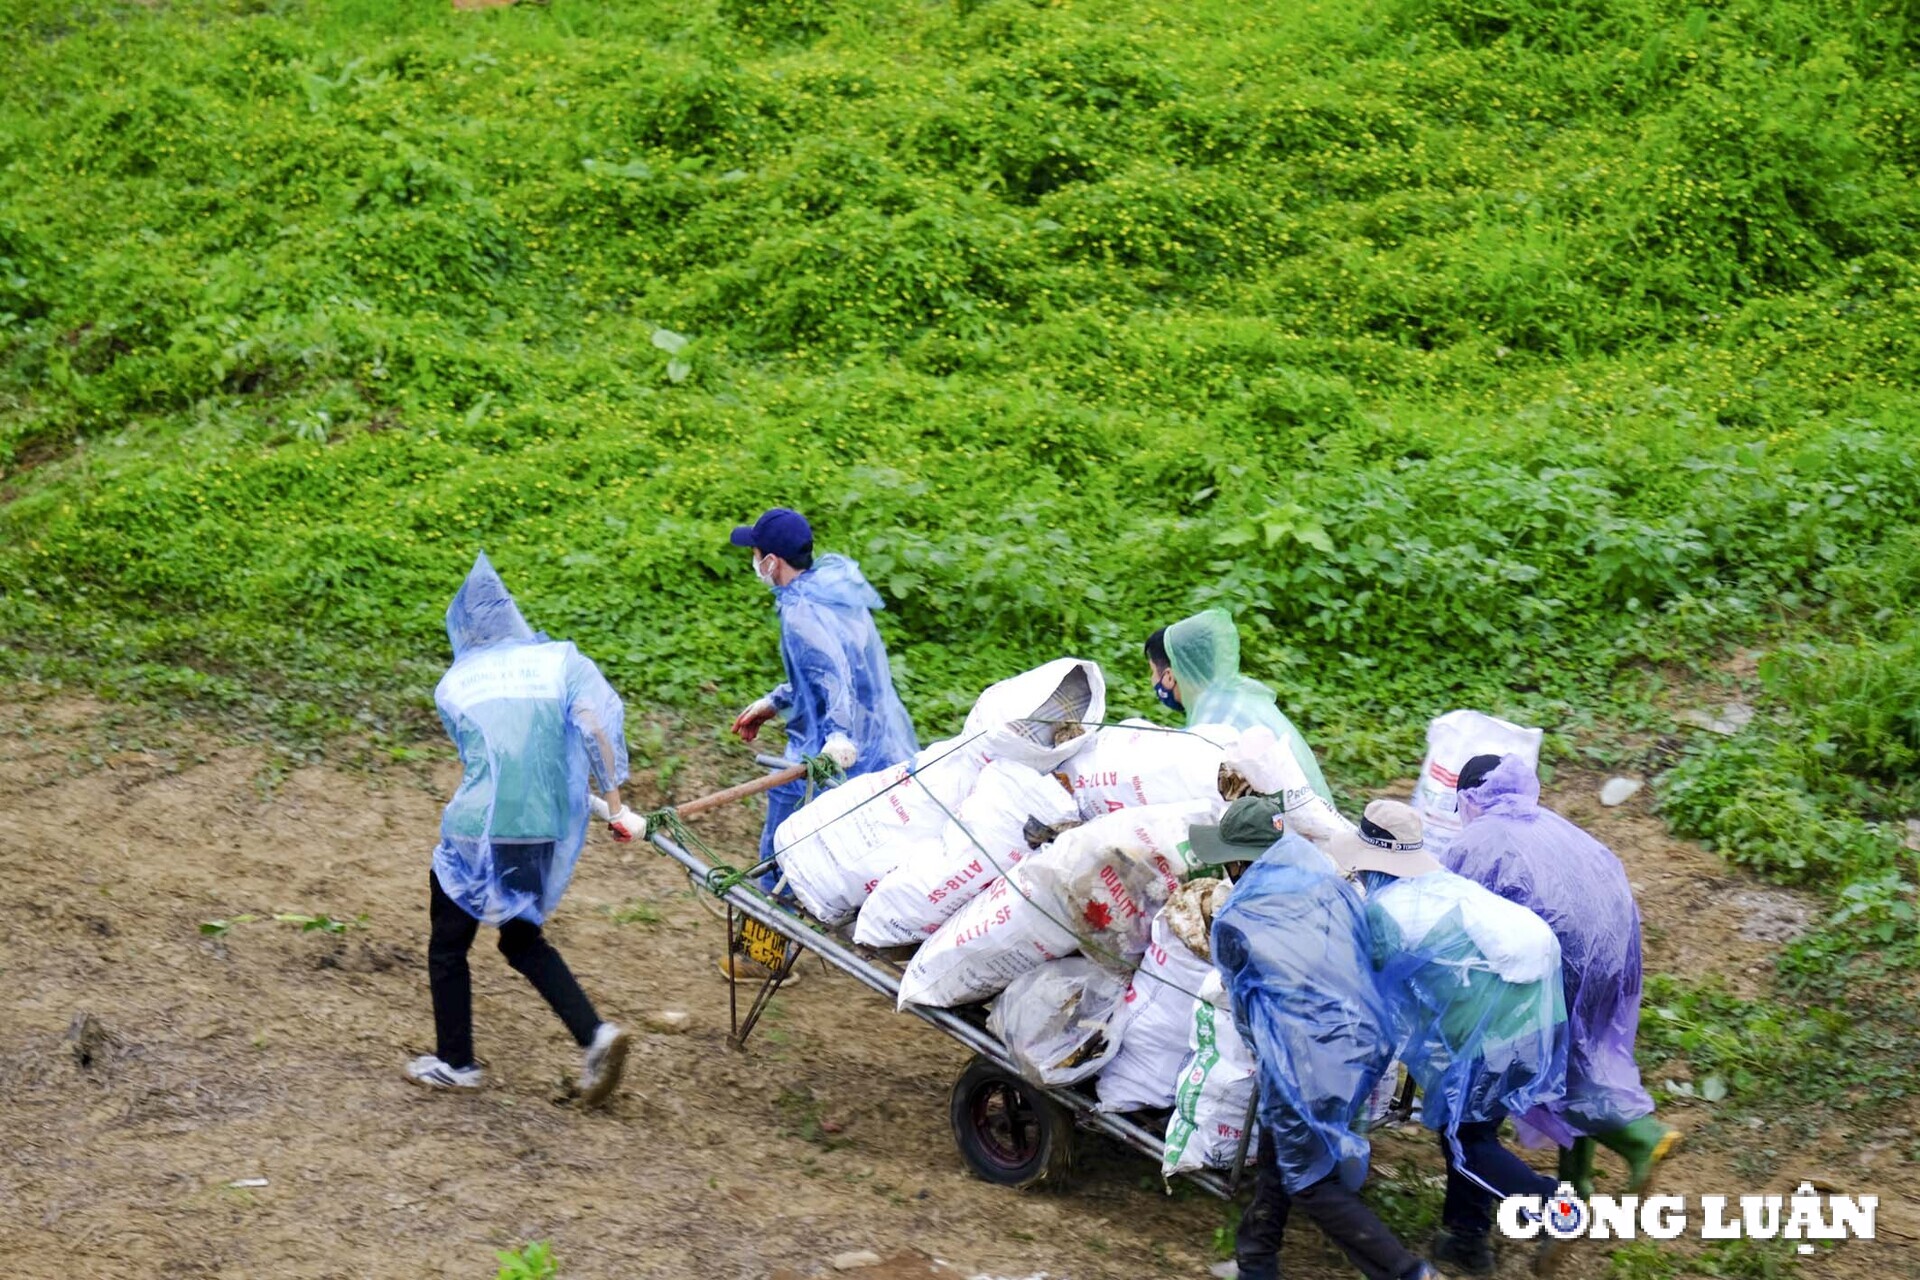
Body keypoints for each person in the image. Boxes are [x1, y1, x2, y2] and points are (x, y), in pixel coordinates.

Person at [407, 552, 641, 1108]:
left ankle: (456, 1062)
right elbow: (593, 723)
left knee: (447, 945)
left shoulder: (454, 682)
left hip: (476, 827)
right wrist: (614, 803)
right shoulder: (561, 661)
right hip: (541, 827)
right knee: (520, 935)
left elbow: (486, 757)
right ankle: (594, 1034)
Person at [1192, 797, 1440, 1280]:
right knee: (1281, 1146)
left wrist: (1275, 1055)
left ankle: (1407, 1272)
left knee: (1309, 1179)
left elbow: (1248, 1015)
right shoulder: (1328, 882)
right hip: (1367, 1039)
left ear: (1241, 859)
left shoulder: (1238, 920)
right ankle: (1256, 1261)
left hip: (1308, 1059)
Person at [1329, 800, 1571, 1277]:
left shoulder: (1385, 914)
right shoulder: (1442, 887)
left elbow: (1367, 998)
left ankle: (1555, 1210)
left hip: (1495, 1032)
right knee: (1472, 1127)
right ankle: (1467, 1238)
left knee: (1465, 1141)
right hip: (1542, 1012)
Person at [1443, 753, 1681, 1204]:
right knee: (1582, 1060)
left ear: (1469, 799)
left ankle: (1644, 1140)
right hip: (1613, 953)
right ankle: (1578, 1184)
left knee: (1555, 1070)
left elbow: (1452, 922)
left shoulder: (1475, 843)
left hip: (1561, 961)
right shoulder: (1554, 825)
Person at [726, 508, 918, 959]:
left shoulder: (801, 613)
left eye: (755, 553)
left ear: (772, 562)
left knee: (783, 842)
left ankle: (765, 956)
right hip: (880, 740)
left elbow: (833, 678)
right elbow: (828, 667)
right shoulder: (830, 591)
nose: (753, 562)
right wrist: (775, 702)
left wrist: (836, 737)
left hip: (842, 748)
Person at [1145, 608, 1332, 802]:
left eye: (1153, 672)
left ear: (1168, 676)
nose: (1152, 679)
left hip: (1286, 824)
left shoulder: (1211, 724)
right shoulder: (1237, 695)